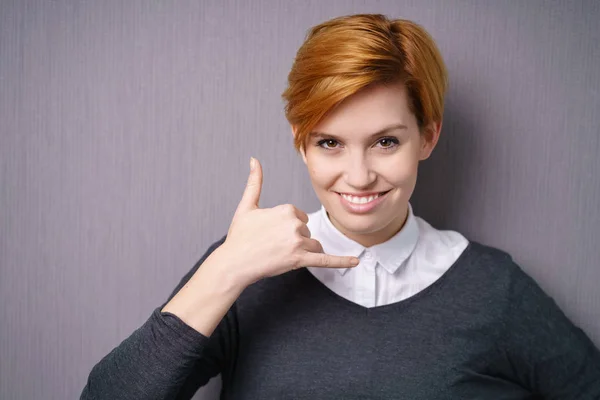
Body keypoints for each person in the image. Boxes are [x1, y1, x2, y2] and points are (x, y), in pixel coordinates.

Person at [80, 13, 600, 399]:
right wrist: (225, 271)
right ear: (300, 142)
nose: (358, 176)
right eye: (330, 143)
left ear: (427, 136)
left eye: (386, 142)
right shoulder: (241, 268)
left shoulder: (493, 288)